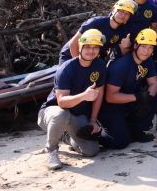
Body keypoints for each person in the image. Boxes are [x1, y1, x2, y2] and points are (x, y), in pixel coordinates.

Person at [38, 28, 107, 170]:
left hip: (76, 115)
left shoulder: (99, 65)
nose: (91, 51)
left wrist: (93, 121)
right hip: (52, 112)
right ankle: (51, 150)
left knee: (91, 151)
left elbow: (98, 95)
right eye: (87, 47)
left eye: (95, 47)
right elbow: (61, 101)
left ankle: (66, 136)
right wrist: (84, 96)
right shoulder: (66, 68)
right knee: (61, 114)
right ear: (80, 47)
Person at [99, 29, 157, 150]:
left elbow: (154, 83)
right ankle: (95, 134)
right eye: (143, 47)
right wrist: (137, 98)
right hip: (111, 107)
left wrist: (147, 98)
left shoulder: (148, 62)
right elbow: (110, 97)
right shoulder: (121, 66)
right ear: (136, 45)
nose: (146, 51)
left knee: (156, 97)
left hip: (129, 101)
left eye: (150, 48)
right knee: (120, 142)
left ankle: (135, 129)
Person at [59, 0, 136, 64]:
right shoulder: (95, 23)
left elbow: (113, 51)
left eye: (127, 14)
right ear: (113, 10)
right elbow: (73, 44)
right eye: (121, 11)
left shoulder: (122, 31)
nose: (123, 15)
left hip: (91, 59)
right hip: (70, 56)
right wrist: (79, 65)